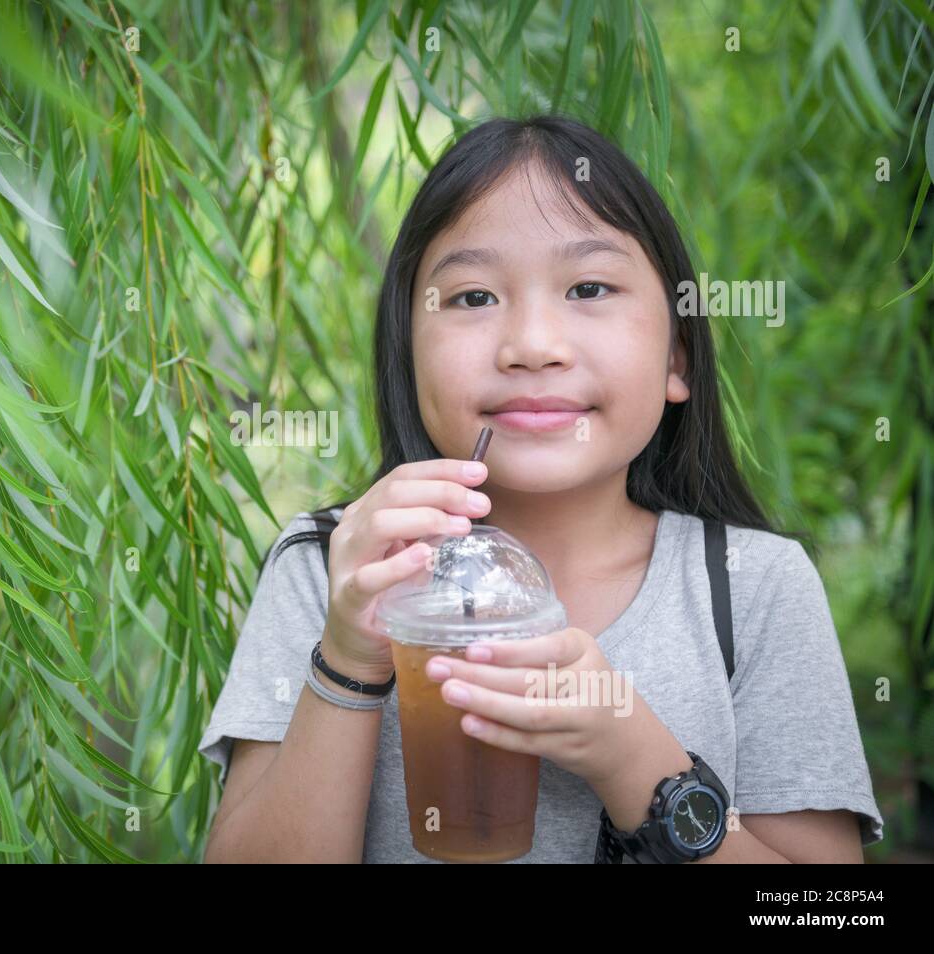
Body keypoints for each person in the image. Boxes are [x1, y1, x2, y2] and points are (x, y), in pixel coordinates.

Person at [198, 115, 884, 863]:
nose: (531, 346)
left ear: (676, 359)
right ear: (408, 353)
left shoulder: (753, 587)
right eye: (472, 298)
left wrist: (632, 758)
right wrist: (349, 659)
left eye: (588, 287)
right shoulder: (335, 569)